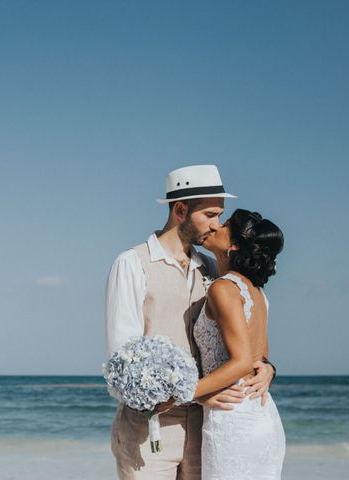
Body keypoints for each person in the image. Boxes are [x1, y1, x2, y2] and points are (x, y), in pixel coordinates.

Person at [106, 165, 275, 480]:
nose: (217, 225)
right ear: (180, 210)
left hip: (208, 428)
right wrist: (195, 393)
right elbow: (123, 360)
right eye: (210, 214)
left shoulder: (213, 267)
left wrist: (266, 366)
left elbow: (244, 328)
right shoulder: (132, 263)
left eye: (219, 216)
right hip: (150, 432)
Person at [192, 208, 286, 479]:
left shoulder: (224, 288)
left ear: (233, 245)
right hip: (261, 413)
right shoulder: (256, 292)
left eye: (225, 225)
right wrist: (270, 369)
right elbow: (260, 358)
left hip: (232, 419)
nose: (215, 226)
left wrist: (187, 393)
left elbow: (243, 361)